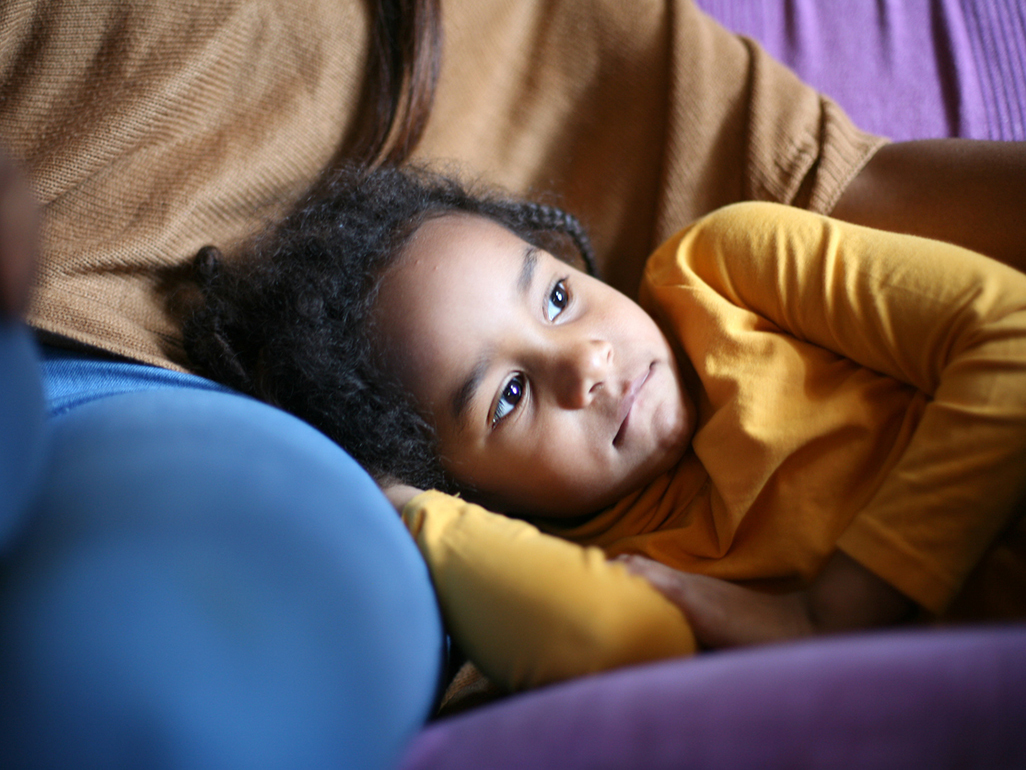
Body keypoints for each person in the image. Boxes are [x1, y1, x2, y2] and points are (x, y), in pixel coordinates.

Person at [184, 164, 1026, 693]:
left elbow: (1011, 333)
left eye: (554, 298)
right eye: (508, 398)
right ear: (471, 489)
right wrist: (402, 505)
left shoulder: (728, 273)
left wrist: (834, 611)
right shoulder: (605, 571)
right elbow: (629, 647)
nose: (582, 365)